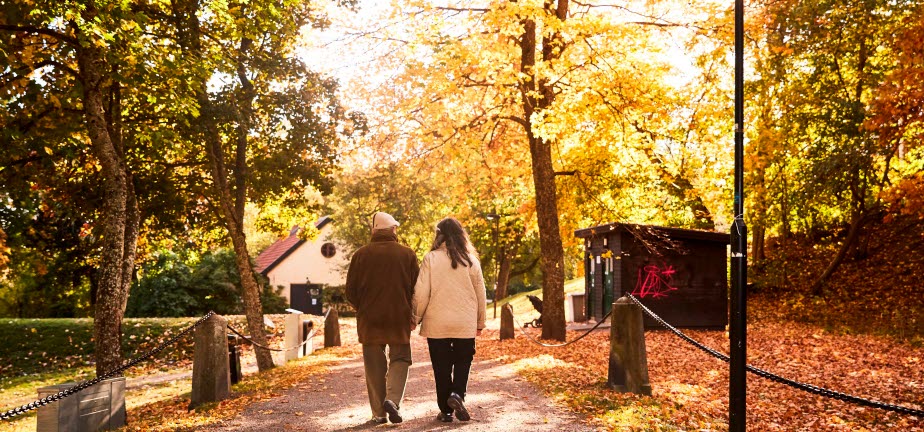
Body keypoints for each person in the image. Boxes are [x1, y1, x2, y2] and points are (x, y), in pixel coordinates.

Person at [345, 211, 419, 424]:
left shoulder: (360, 255)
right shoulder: (407, 254)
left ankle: (379, 413)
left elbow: (350, 291)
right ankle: (393, 400)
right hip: (399, 317)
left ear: (374, 230)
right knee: (401, 358)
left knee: (374, 365)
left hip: (369, 319)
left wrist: (363, 308)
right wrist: (412, 313)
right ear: (394, 230)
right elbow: (416, 288)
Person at [412, 217, 487, 423]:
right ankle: (457, 395)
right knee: (464, 361)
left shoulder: (430, 258)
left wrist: (415, 317)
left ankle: (445, 411)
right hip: (464, 321)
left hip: (437, 322)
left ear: (439, 236)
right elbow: (481, 294)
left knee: (441, 366)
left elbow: (421, 293)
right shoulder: (471, 261)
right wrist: (480, 323)